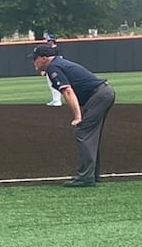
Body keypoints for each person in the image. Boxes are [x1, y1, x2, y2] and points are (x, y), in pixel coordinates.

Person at [29, 44, 115, 187]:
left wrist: (77, 116)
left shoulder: (53, 67)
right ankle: (92, 175)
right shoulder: (58, 64)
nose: (34, 62)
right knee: (90, 133)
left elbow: (68, 91)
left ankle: (86, 177)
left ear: (44, 58)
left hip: (99, 95)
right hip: (102, 94)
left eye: (35, 59)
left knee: (83, 131)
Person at [42, 34, 62, 107]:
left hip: (54, 69)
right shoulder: (50, 49)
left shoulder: (55, 50)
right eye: (47, 40)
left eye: (49, 40)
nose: (47, 42)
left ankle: (57, 100)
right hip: (50, 69)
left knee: (55, 84)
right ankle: (55, 99)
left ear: (53, 41)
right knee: (51, 85)